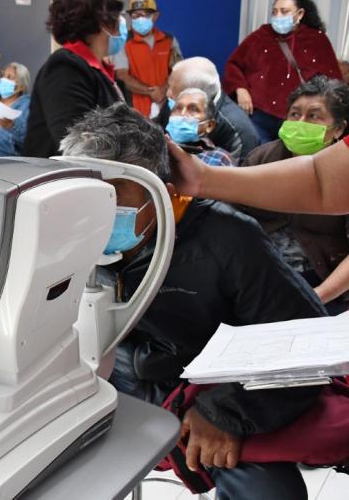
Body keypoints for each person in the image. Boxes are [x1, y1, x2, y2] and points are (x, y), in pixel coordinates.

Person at [62, 103, 325, 500]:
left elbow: (304, 345)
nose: (95, 211)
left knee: (268, 493)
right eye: (84, 193)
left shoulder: (228, 240)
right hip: (117, 382)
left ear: (164, 193)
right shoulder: (63, 238)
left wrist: (226, 412)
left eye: (114, 192)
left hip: (214, 392)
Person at [241, 76, 349, 314]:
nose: (300, 123)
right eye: (294, 114)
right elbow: (232, 220)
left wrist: (316, 297)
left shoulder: (344, 170)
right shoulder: (260, 159)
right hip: (259, 278)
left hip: (325, 283)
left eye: (313, 116)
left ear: (338, 129)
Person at [22, 0, 126, 158]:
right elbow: (80, 144)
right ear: (101, 20)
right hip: (63, 174)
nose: (121, 23)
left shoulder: (99, 70)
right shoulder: (65, 67)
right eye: (117, 16)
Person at [224, 0, 342, 144]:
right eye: (274, 12)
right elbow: (234, 64)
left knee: (289, 156)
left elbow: (333, 82)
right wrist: (240, 89)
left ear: (300, 14)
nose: (278, 16)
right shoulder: (260, 36)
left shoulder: (316, 40)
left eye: (284, 11)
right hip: (258, 114)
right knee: (260, 154)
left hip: (298, 118)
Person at [156, 57, 260, 159]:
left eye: (174, 90)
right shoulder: (174, 103)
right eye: (169, 86)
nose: (168, 93)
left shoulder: (239, 133)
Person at [114, 0, 182, 118]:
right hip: (135, 108)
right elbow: (122, 75)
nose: (140, 19)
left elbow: (178, 71)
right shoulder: (123, 42)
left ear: (155, 16)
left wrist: (163, 90)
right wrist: (150, 92)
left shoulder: (169, 40)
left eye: (145, 15)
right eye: (135, 15)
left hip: (166, 104)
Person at [167, 88, 235, 167]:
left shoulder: (220, 159)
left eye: (193, 109)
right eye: (178, 108)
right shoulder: (159, 149)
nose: (182, 114)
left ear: (209, 125)